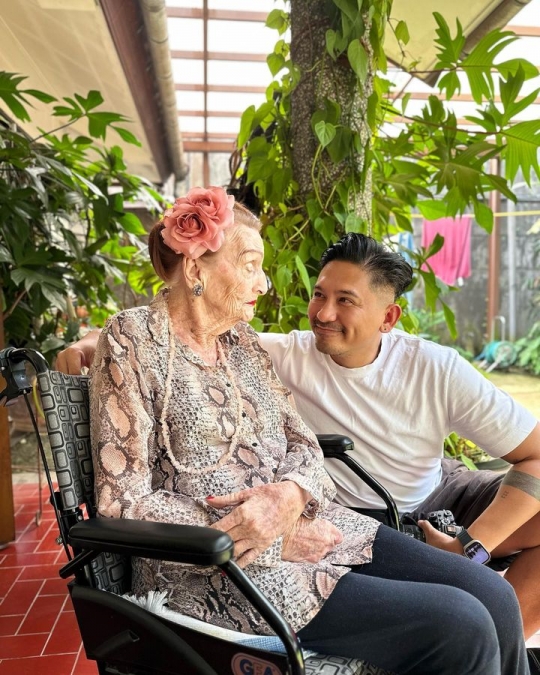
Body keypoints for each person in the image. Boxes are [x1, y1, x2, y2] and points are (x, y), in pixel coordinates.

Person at [65, 190, 529, 673]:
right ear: (196, 268)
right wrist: (265, 533)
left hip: (310, 523)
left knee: (492, 593)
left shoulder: (242, 344)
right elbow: (123, 503)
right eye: (249, 265)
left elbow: (302, 443)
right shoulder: (134, 340)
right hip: (218, 565)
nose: (264, 284)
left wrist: (291, 494)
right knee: (461, 625)